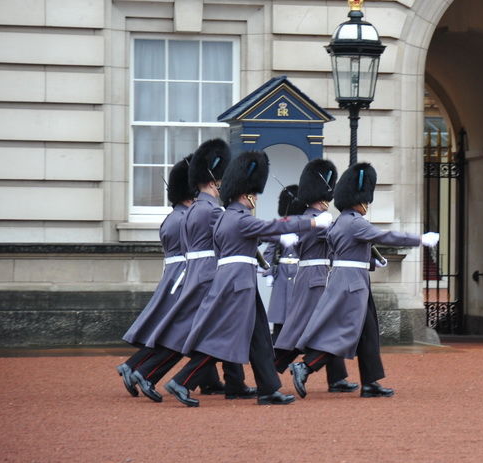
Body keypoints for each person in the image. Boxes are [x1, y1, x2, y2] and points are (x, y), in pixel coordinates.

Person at [164, 150, 334, 407]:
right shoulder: (239, 219)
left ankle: (268, 389)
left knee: (260, 339)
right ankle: (182, 380)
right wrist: (311, 224)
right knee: (223, 337)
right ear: (246, 195)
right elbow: (274, 226)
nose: (255, 198)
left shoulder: (225, 217)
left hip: (236, 281)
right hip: (238, 284)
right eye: (253, 194)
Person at [291, 162, 439, 399]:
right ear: (358, 200)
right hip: (352, 284)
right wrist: (420, 239)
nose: (367, 205)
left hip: (350, 279)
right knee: (344, 331)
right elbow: (387, 235)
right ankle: (306, 366)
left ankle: (370, 383)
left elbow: (341, 253)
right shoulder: (356, 222)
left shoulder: (340, 222)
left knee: (368, 332)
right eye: (366, 201)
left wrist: (371, 262)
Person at [131, 138, 247, 401]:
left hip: (193, 274)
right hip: (206, 277)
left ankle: (158, 374)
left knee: (194, 331)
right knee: (198, 332)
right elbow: (233, 232)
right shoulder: (210, 210)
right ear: (213, 181)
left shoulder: (189, 211)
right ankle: (151, 373)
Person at [273, 158, 357, 394]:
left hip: (317, 275)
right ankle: (275, 372)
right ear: (322, 199)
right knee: (321, 327)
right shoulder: (314, 220)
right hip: (315, 277)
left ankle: (336, 377)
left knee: (322, 327)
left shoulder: (312, 218)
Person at [115, 154, 192, 396]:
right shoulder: (185, 219)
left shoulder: (173, 217)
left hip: (173, 276)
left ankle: (132, 366)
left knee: (168, 330)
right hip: (185, 278)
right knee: (180, 332)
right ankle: (143, 371)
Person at [263, 184, 301, 342]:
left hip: (300, 270)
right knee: (280, 313)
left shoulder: (306, 223)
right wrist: (269, 272)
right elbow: (270, 250)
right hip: (283, 271)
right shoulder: (280, 224)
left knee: (298, 311)